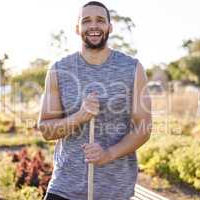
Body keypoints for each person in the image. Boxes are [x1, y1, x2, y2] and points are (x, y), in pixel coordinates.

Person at [38, 1, 152, 200]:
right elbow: (46, 130)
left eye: (100, 20)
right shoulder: (59, 70)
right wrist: (80, 117)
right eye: (86, 21)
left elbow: (143, 127)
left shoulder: (132, 69)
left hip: (114, 190)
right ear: (77, 28)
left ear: (109, 27)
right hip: (65, 187)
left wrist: (108, 154)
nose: (94, 26)